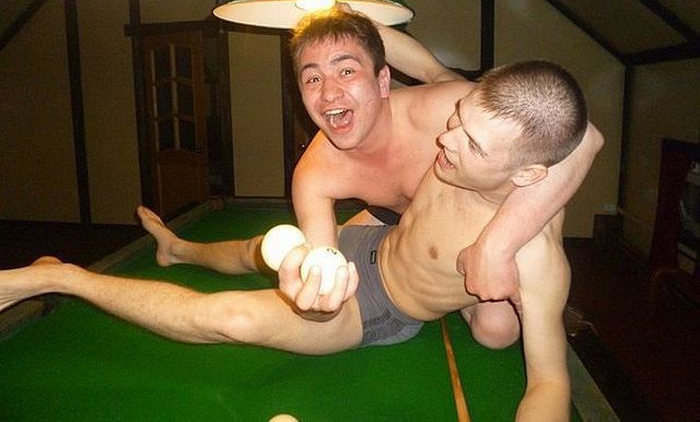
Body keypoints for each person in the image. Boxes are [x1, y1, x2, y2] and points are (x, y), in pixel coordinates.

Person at [0, 60, 585, 420]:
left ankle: (61, 276)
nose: (447, 140)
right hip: (370, 239)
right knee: (255, 250)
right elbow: (425, 71)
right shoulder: (463, 136)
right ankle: (178, 249)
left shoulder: (537, 258)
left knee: (226, 318)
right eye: (458, 118)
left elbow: (549, 382)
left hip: (377, 307)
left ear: (531, 174)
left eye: (473, 145)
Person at [139, 8, 603, 305]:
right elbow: (321, 260)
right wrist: (318, 291)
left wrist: (495, 247)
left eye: (346, 71)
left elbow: (586, 139)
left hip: (456, 216)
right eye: (312, 79)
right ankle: (178, 249)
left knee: (495, 332)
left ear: (382, 81)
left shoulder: (447, 108)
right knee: (265, 251)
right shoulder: (314, 174)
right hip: (389, 217)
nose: (329, 92)